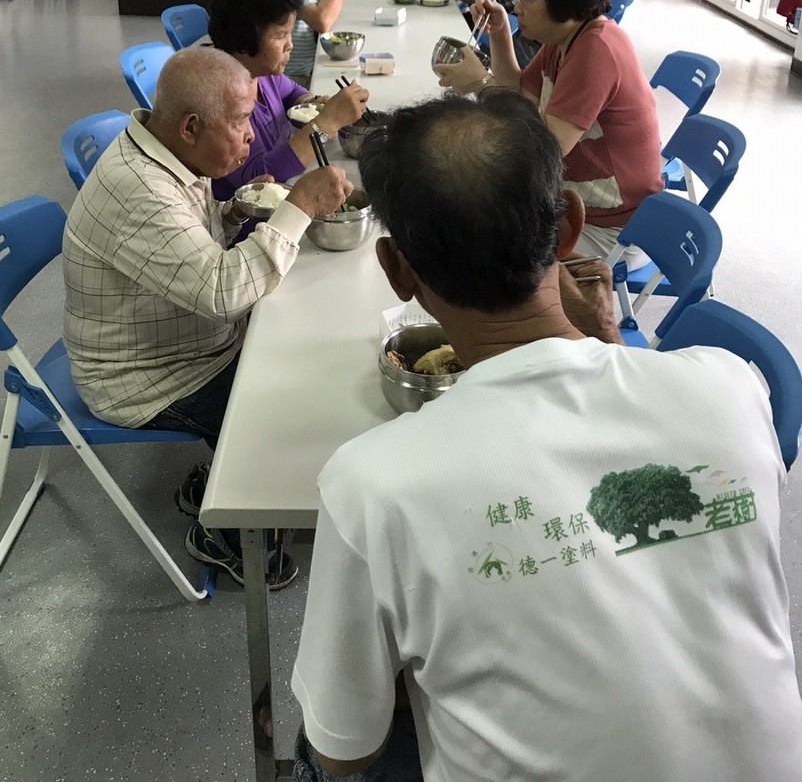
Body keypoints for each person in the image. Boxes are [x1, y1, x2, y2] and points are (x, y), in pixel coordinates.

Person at [290, 90, 802, 782]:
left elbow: (343, 749)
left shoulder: (371, 484)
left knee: (316, 743)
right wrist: (613, 342)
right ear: (568, 227)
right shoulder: (732, 390)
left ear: (397, 269)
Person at [63, 46, 352, 587]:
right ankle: (229, 540)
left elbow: (189, 240)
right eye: (242, 120)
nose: (250, 135)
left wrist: (238, 208)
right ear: (192, 126)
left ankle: (218, 480)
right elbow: (223, 291)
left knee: (292, 352)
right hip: (144, 378)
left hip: (184, 339)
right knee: (270, 408)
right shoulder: (139, 191)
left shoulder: (167, 151)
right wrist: (300, 207)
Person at [432, 0, 664, 264]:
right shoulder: (565, 37)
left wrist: (480, 83)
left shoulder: (596, 49)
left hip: (616, 228)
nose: (516, 6)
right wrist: (499, 34)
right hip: (576, 202)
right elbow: (517, 96)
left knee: (476, 241)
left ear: (565, 0)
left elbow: (545, 143)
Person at [207, 0, 369, 200]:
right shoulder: (221, 100)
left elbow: (291, 92)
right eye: (281, 35)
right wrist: (326, 122)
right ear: (245, 40)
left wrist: (312, 104)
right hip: (253, 217)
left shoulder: (262, 73)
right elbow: (261, 177)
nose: (290, 45)